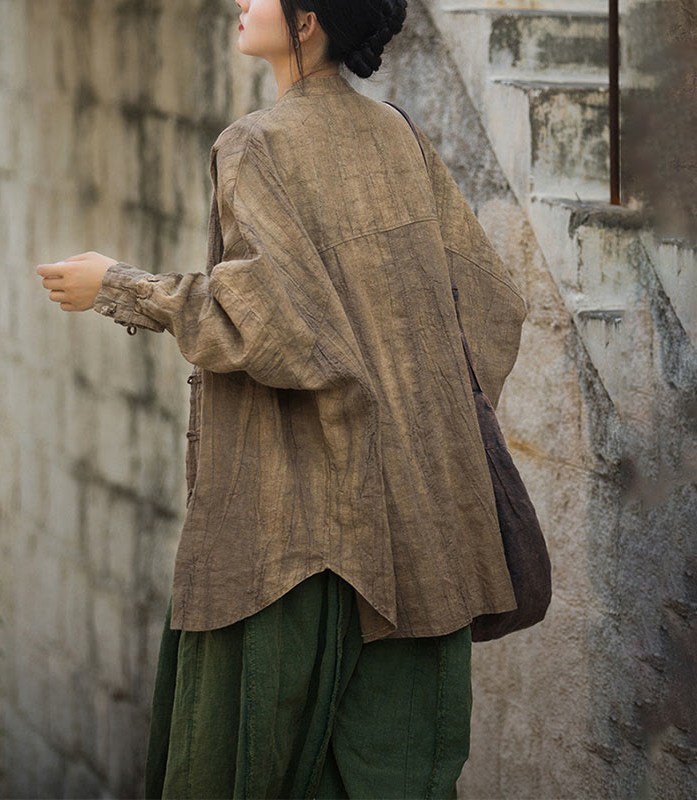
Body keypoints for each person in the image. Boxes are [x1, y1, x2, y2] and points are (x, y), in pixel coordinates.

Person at [36, 1, 528, 797]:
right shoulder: (397, 133)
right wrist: (418, 420)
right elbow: (493, 305)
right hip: (429, 533)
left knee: (238, 767)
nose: (241, 2)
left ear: (306, 23)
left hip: (296, 541)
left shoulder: (255, 144)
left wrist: (118, 288)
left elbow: (267, 322)